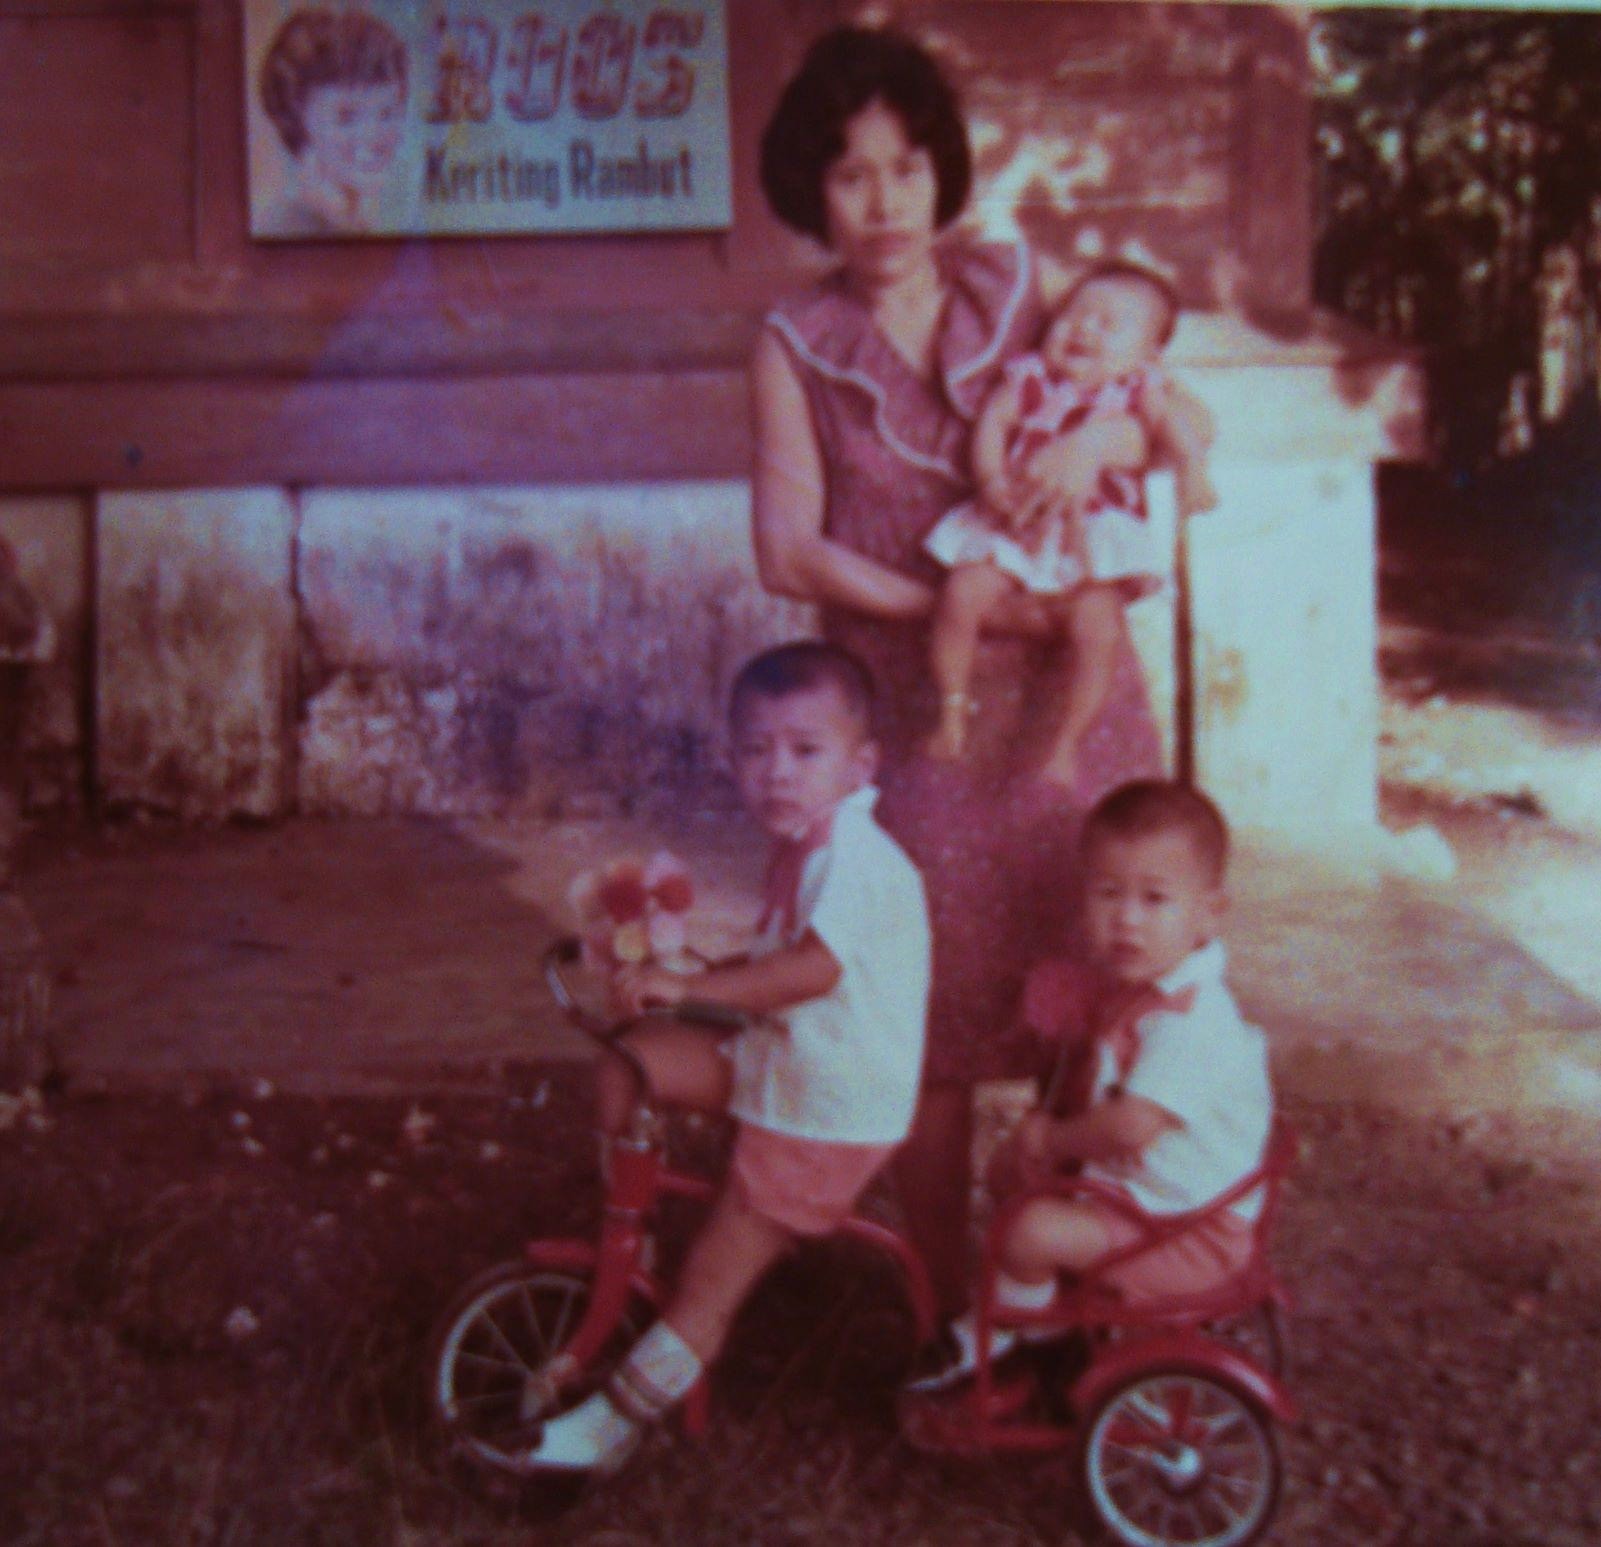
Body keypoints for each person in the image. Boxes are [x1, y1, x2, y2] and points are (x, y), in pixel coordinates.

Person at [751, 24, 1213, 1317]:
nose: (884, 201)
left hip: (1074, 705)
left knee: (1098, 978)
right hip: (918, 705)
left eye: (905, 168)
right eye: (850, 175)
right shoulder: (792, 340)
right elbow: (787, 547)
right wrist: (946, 606)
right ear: (811, 190)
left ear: (939, 172)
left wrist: (1114, 430)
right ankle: (950, 1314)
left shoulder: (1017, 283)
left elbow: (1159, 397)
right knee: (929, 1018)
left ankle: (1068, 1289)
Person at [523, 641, 931, 1472]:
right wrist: (679, 976)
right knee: (630, 1060)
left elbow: (810, 970)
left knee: (712, 1275)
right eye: (755, 750)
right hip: (783, 1059)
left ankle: (604, 1431)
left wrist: (695, 992)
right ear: (729, 757)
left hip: (829, 1104)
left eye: (804, 751)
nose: (777, 772)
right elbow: (765, 967)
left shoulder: (854, 857)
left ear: (861, 765)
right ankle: (627, 1236)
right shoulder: (804, 845)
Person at [906, 779, 1273, 1392]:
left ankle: (1014, 1340)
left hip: (1188, 1234)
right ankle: (1045, 1327)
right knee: (1010, 1180)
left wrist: (1053, 1138)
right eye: (1108, 894)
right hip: (1155, 1200)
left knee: (1028, 1230)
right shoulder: (1147, 989)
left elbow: (1131, 1124)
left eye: (1155, 899)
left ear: (1210, 913)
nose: (1126, 920)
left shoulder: (1189, 1024)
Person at [922, 261, 1216, 784]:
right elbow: (992, 425)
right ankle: (951, 711)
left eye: (1109, 323)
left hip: (1092, 538)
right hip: (1017, 520)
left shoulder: (1138, 389)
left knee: (1097, 629)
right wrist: (991, 482)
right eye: (1074, 316)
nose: (1084, 328)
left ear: (1147, 353)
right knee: (961, 593)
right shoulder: (1031, 376)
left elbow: (1179, 427)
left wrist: (1193, 469)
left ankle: (1065, 744)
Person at [258, 8, 408, 236]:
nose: (373, 135)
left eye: (387, 113)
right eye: (346, 118)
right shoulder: (289, 231)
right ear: (298, 118)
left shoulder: (350, 227)